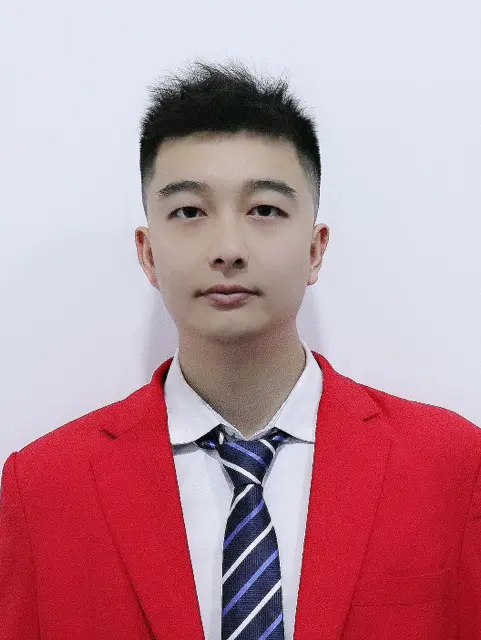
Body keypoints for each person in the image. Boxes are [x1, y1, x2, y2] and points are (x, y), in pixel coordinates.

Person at [1, 59, 480, 640]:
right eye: (189, 212)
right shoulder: (47, 486)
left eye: (264, 210)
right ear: (148, 254)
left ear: (315, 249)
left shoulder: (450, 465)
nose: (228, 248)